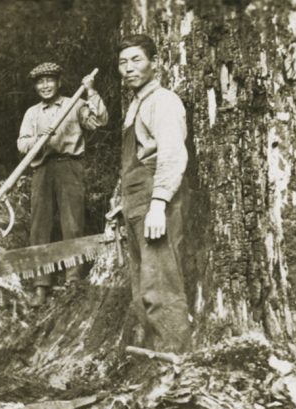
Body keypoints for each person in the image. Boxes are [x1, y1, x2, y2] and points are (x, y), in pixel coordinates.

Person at [109, 34, 191, 353]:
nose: (128, 68)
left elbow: (171, 153)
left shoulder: (163, 101)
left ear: (154, 64)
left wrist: (158, 204)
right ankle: (156, 362)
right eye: (123, 62)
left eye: (137, 60)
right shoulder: (136, 106)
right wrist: (123, 203)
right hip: (137, 202)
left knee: (161, 286)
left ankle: (175, 362)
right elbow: (138, 159)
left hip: (155, 202)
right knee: (143, 289)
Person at [18, 61, 108, 306]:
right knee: (39, 225)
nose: (45, 86)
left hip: (70, 166)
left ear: (58, 82)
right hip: (42, 169)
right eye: (40, 82)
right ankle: (40, 286)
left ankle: (73, 280)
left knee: (72, 222)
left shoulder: (75, 104)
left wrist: (91, 92)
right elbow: (22, 144)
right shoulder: (32, 113)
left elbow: (99, 122)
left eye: (50, 80)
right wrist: (40, 138)